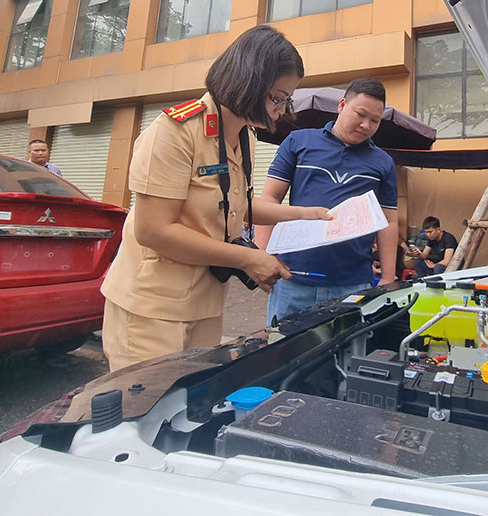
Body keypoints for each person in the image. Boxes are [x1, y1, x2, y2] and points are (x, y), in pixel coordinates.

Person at [100, 26, 329, 372]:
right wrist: (247, 259)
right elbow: (153, 230)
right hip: (152, 308)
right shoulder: (175, 131)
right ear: (247, 81)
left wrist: (304, 213)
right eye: (276, 98)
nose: (282, 110)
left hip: (204, 303)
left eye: (286, 100)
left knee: (191, 408)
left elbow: (237, 206)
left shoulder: (245, 136)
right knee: (143, 412)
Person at [257, 78, 399, 324]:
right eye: (361, 114)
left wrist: (388, 275)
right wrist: (262, 256)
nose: (366, 125)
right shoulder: (298, 142)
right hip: (293, 279)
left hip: (353, 285)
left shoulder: (382, 162)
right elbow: (269, 198)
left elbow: (388, 220)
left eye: (375, 120)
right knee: (283, 354)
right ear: (342, 105)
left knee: (344, 356)